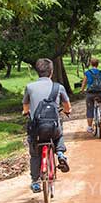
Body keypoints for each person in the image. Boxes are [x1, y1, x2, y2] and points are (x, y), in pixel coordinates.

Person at [22, 58, 71, 193]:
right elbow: (67, 106)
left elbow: (25, 106)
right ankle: (60, 153)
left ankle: (35, 181)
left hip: (36, 130)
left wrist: (26, 112)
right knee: (59, 133)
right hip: (52, 128)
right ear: (51, 72)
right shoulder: (58, 87)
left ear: (37, 71)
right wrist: (67, 111)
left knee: (35, 154)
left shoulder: (30, 87)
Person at [80, 58, 101, 134]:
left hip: (90, 93)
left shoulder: (87, 72)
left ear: (91, 64)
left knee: (90, 109)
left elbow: (84, 83)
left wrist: (82, 90)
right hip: (100, 92)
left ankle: (90, 127)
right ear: (98, 64)